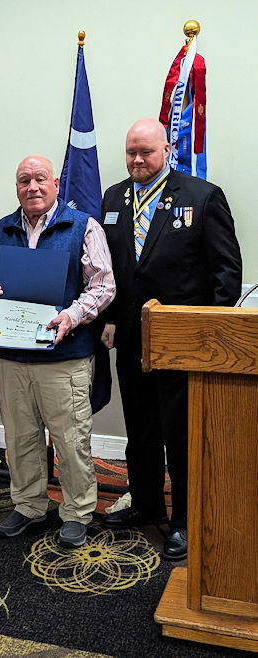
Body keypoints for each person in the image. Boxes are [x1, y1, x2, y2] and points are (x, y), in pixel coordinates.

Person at [100, 118, 242, 560]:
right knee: (140, 429)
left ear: (167, 149)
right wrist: (108, 319)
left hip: (184, 341)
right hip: (131, 338)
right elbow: (111, 270)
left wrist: (210, 335)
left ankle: (183, 519)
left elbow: (226, 272)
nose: (137, 160)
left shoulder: (202, 197)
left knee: (182, 433)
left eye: (146, 151)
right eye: (130, 152)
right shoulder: (113, 198)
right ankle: (144, 504)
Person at [0, 154, 115, 548]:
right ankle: (29, 505)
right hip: (13, 355)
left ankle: (77, 512)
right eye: (24, 180)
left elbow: (103, 286)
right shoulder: (1, 229)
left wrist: (71, 316)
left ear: (56, 183)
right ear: (16, 186)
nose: (32, 187)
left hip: (64, 357)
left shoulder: (82, 226)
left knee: (71, 438)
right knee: (20, 437)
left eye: (40, 179)